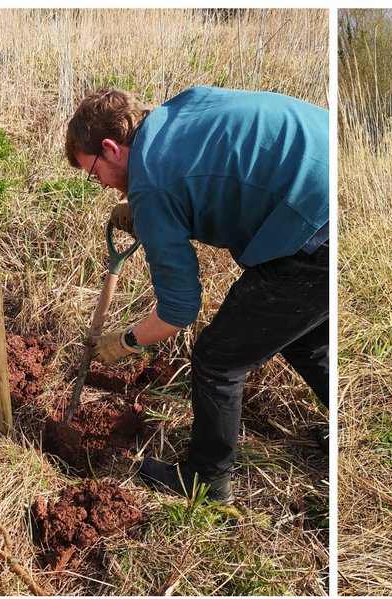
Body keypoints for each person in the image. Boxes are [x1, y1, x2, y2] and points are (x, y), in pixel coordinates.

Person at [65, 85, 330, 503]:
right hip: (332, 172)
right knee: (300, 335)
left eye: (93, 172)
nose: (99, 184)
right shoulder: (178, 110)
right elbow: (208, 172)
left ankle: (206, 479)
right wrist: (148, 208)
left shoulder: (151, 188)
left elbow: (179, 310)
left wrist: (127, 341)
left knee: (217, 359)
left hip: (313, 227)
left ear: (111, 147)